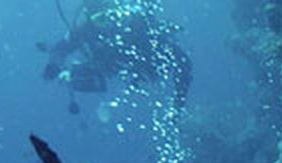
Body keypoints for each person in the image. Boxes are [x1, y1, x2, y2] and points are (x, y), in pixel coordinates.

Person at [42, 0, 192, 108]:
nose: (109, 23)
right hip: (117, 70)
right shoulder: (85, 30)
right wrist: (55, 66)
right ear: (90, 19)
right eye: (101, 19)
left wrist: (179, 100)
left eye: (112, 16)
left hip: (145, 63)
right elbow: (59, 49)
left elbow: (183, 60)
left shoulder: (136, 24)